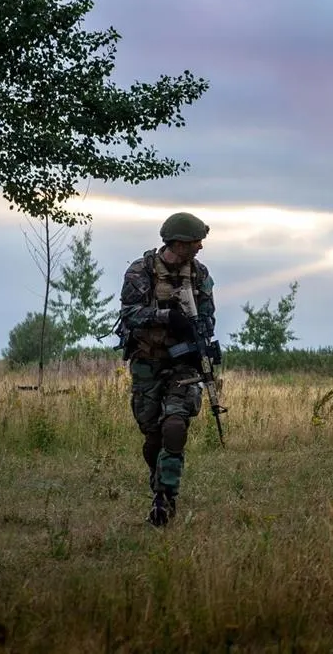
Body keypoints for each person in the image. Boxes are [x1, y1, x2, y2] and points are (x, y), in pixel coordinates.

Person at [116, 212, 215, 527]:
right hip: (147, 362)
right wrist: (166, 317)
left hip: (183, 364)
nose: (200, 246)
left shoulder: (199, 275)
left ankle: (164, 499)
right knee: (153, 438)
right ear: (179, 242)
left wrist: (198, 333)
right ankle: (157, 476)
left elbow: (209, 317)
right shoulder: (140, 271)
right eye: (195, 241)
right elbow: (129, 314)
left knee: (175, 426)